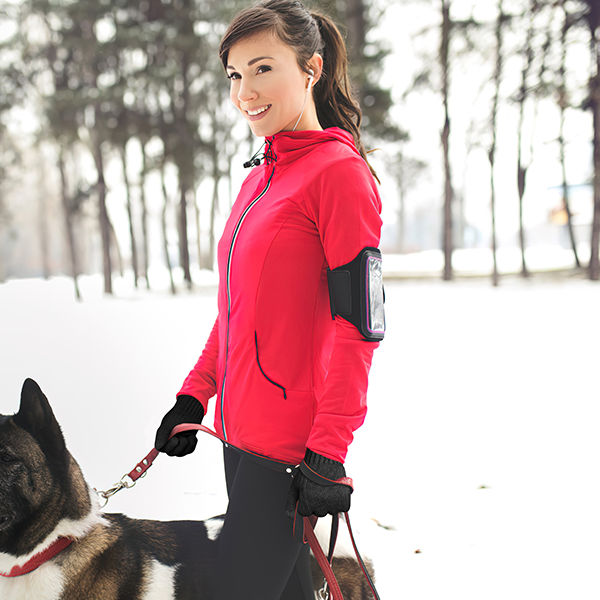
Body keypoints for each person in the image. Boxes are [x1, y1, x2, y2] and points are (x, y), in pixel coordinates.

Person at [152, 1, 385, 598]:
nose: (244, 92)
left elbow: (359, 327)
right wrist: (194, 395)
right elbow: (236, 310)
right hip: (239, 441)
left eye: (262, 69)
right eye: (235, 75)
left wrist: (328, 452)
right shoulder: (260, 177)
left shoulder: (338, 174)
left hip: (289, 453)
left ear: (311, 69)